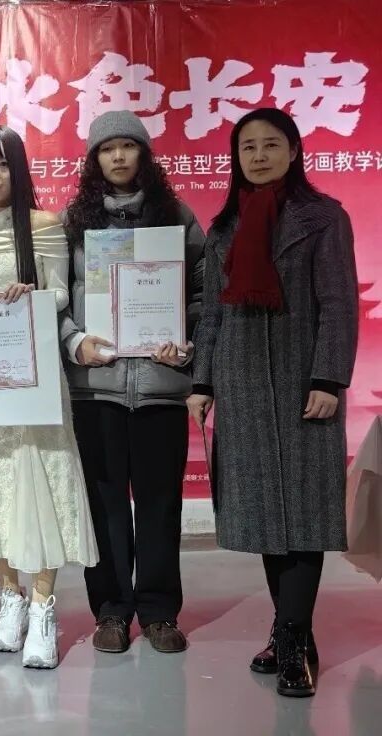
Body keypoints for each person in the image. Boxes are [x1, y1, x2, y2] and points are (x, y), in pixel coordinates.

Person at [189, 108, 358, 698]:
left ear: (294, 151)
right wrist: (203, 383)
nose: (258, 156)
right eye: (248, 147)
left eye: (270, 145)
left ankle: (292, 639)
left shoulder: (324, 218)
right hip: (241, 386)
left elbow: (339, 304)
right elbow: (214, 313)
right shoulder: (226, 227)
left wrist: (328, 379)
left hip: (303, 385)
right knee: (265, 517)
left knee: (305, 515)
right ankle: (290, 632)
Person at [0, 126, 98, 669]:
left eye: (2, 164)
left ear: (18, 169)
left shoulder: (44, 225)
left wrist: (31, 295)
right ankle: (10, 599)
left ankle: (43, 607)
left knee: (42, 483)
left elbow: (61, 293)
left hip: (35, 379)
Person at [61, 110, 205, 655]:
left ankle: (160, 612)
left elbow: (202, 295)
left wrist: (186, 343)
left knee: (160, 505)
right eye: (107, 148)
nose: (118, 156)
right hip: (95, 387)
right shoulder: (72, 222)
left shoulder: (177, 217)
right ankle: (112, 611)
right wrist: (76, 341)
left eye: (128, 146)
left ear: (145, 154)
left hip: (161, 388)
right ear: (93, 160)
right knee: (105, 507)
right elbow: (55, 297)